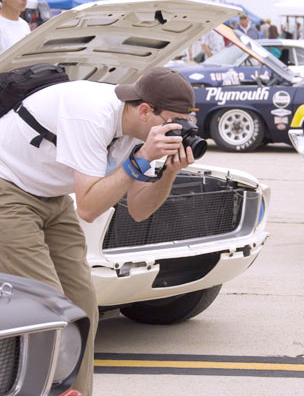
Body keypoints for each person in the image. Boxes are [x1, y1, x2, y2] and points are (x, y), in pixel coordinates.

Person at [0, 67, 197, 395]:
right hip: (7, 187)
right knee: (47, 310)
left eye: (186, 122)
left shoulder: (145, 131)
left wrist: (169, 173)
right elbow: (89, 208)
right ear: (145, 110)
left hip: (51, 196)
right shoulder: (90, 115)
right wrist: (142, 158)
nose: (179, 130)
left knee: (82, 304)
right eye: (174, 121)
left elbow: (138, 210)